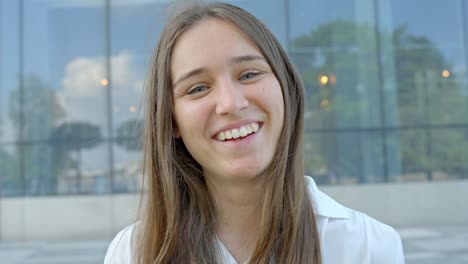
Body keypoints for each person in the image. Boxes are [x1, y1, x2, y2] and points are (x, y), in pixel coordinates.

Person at [104, 2, 405, 263]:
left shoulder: (370, 248)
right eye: (197, 88)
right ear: (172, 122)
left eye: (249, 74)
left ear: (286, 89)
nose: (231, 103)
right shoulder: (131, 254)